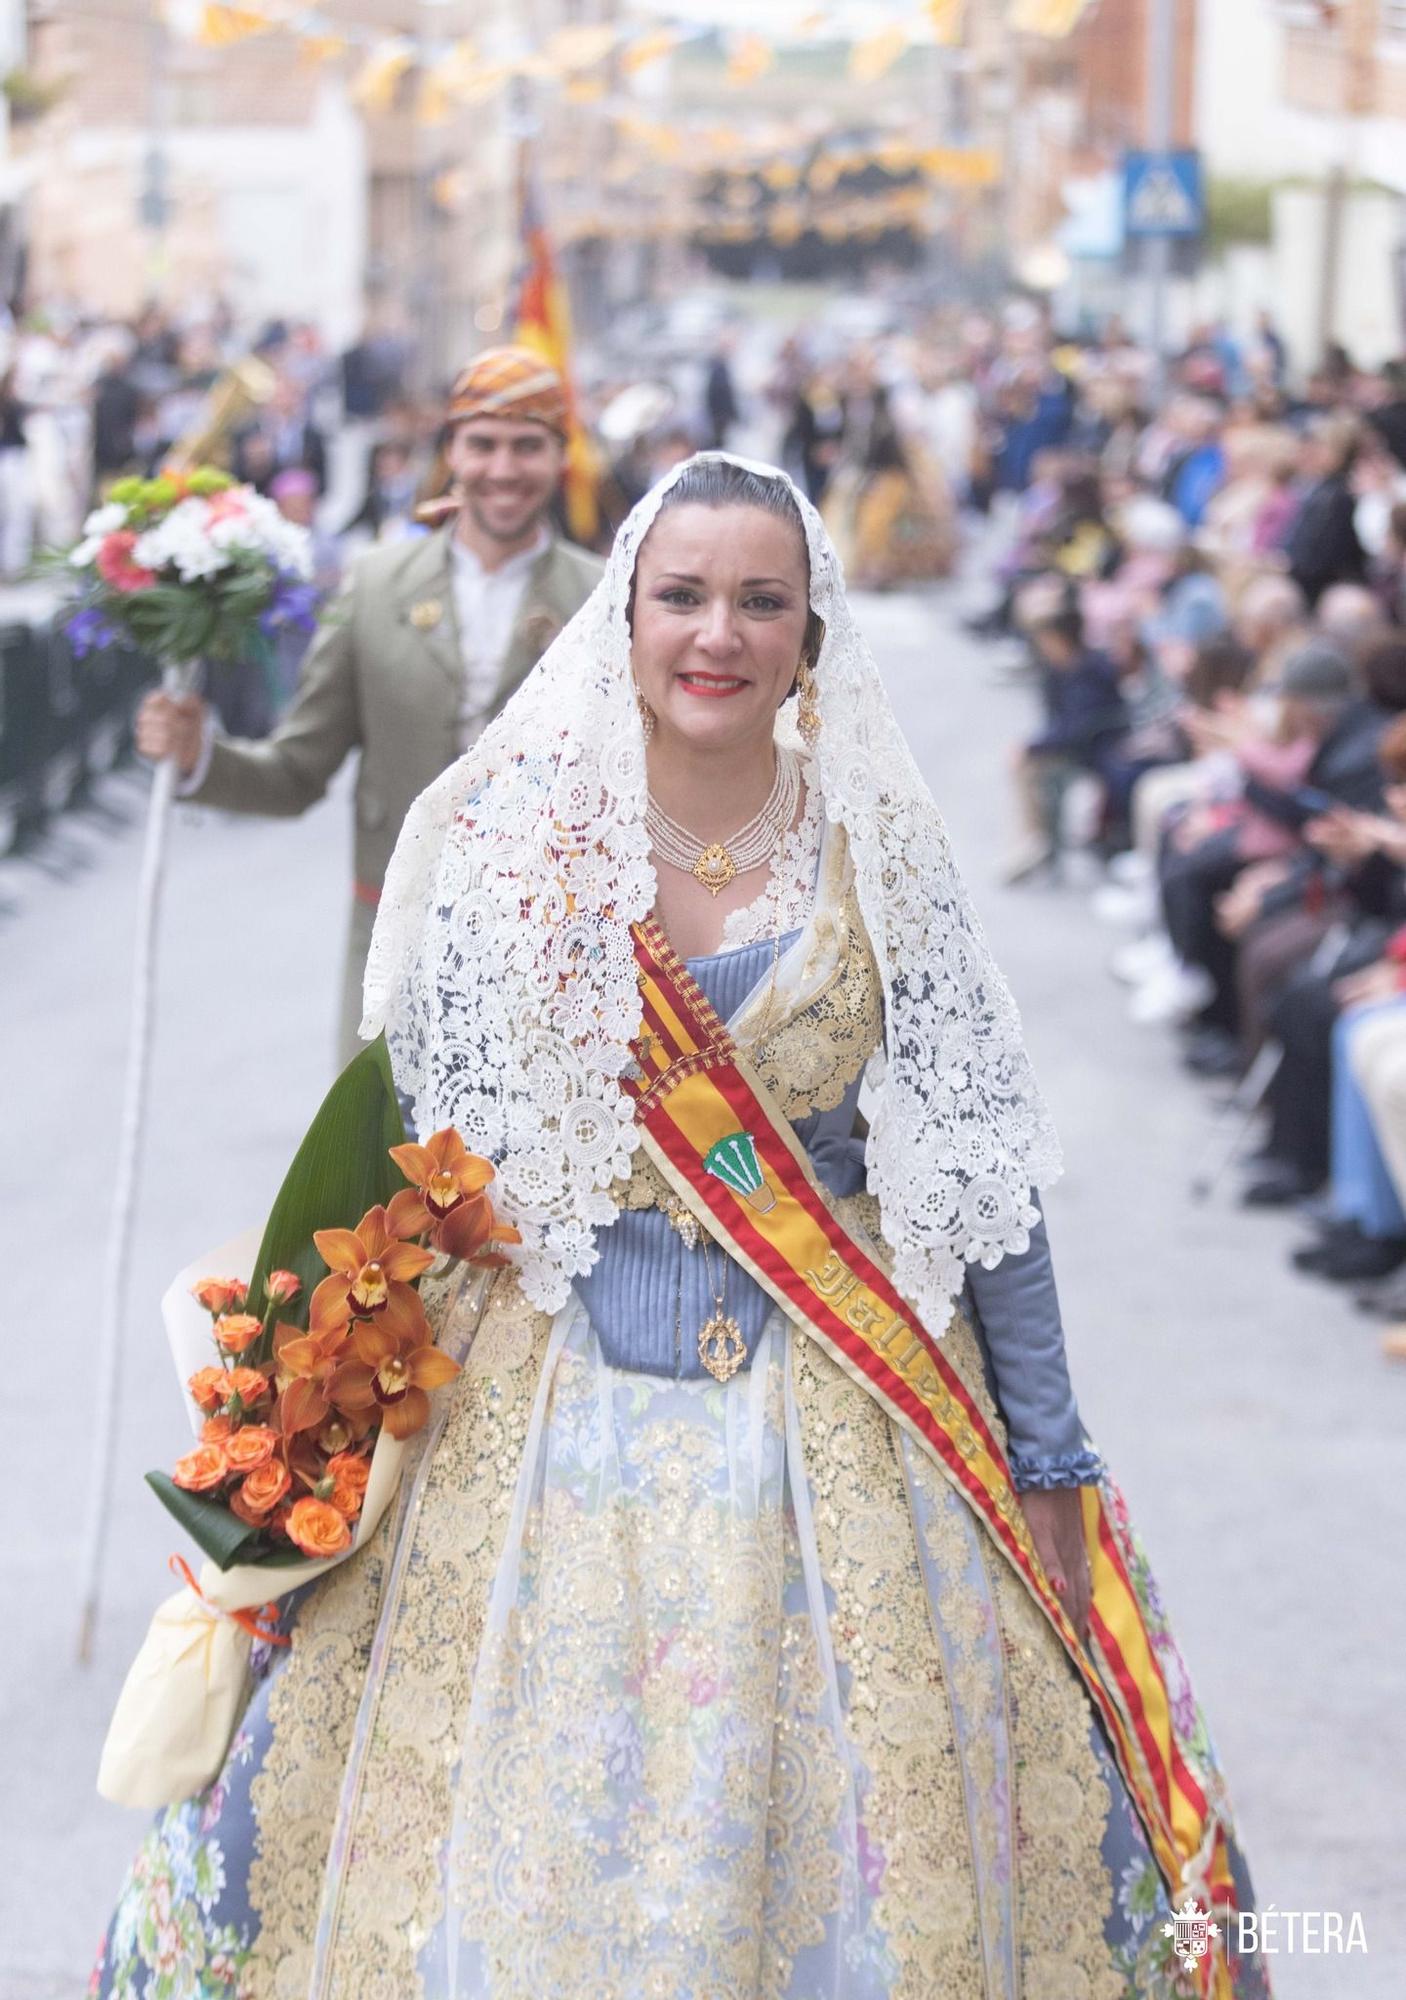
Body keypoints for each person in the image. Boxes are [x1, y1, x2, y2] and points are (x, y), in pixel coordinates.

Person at [96, 454, 1266, 1997]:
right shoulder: (518, 833)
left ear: (809, 632)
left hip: (841, 1398)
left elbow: (983, 1171)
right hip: (540, 1406)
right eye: (686, 597)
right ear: (626, 613)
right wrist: (301, 1413)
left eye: (760, 602)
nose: (718, 634)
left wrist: (1046, 1455)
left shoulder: (874, 846)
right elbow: (416, 1153)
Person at [135, 347, 603, 1062]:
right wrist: (200, 757)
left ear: (559, 455)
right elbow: (296, 772)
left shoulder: (605, 601)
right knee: (384, 1171)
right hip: (395, 960)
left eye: (527, 446)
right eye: (482, 443)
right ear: (450, 450)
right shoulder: (375, 587)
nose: (503, 469)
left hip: (552, 972)